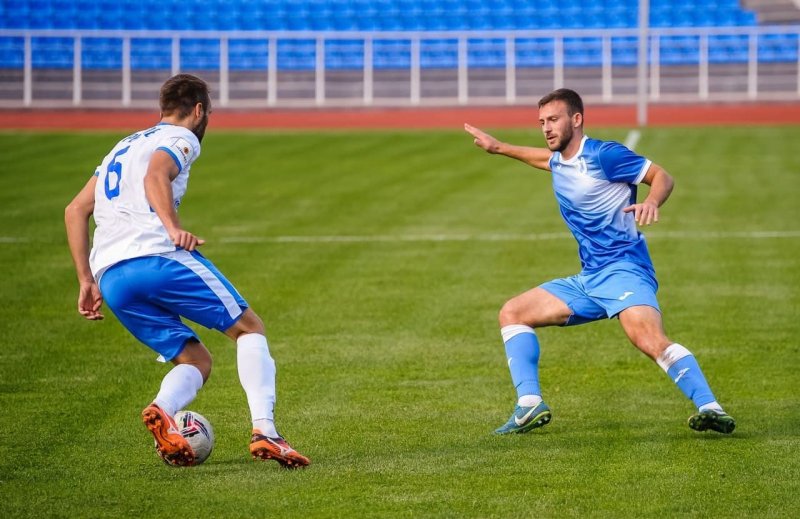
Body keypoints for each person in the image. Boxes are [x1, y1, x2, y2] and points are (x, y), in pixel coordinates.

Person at [64, 73, 310, 467]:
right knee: (249, 328)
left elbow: (74, 210)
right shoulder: (182, 138)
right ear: (198, 110)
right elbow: (156, 175)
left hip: (111, 277)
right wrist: (172, 227)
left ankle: (163, 410)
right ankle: (266, 431)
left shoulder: (121, 147)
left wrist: (84, 280)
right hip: (157, 257)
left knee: (196, 360)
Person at [464, 88, 735, 435]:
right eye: (542, 122)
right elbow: (542, 159)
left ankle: (711, 408)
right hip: (590, 278)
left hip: (625, 269)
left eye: (554, 120)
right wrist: (499, 147)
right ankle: (529, 405)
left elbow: (662, 176)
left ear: (576, 120)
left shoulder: (604, 155)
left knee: (649, 339)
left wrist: (652, 201)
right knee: (513, 312)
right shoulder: (559, 160)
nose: (546, 128)